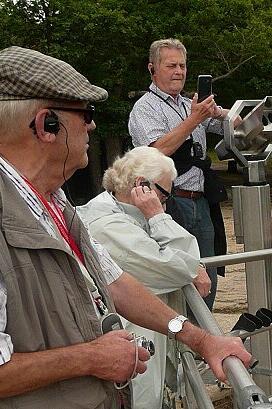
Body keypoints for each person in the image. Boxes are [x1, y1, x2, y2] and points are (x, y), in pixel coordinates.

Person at [0, 45, 252, 407]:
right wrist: (91, 358)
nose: (92, 124)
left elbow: (115, 281)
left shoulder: (54, 201)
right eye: (85, 113)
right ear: (46, 125)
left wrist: (200, 339)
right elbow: (174, 265)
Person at [77, 146, 211, 408]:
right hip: (132, 344)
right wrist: (158, 216)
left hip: (143, 338)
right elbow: (180, 267)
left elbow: (183, 260)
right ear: (142, 185)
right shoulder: (108, 225)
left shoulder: (123, 215)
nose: (165, 204)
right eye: (164, 196)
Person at [128, 38, 232, 310]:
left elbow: (232, 126)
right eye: (171, 65)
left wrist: (232, 114)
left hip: (201, 201)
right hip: (167, 204)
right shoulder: (145, 107)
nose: (179, 72)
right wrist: (195, 119)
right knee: (176, 278)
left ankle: (203, 344)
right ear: (152, 68)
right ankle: (177, 347)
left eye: (183, 65)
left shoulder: (189, 104)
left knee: (206, 277)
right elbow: (156, 151)